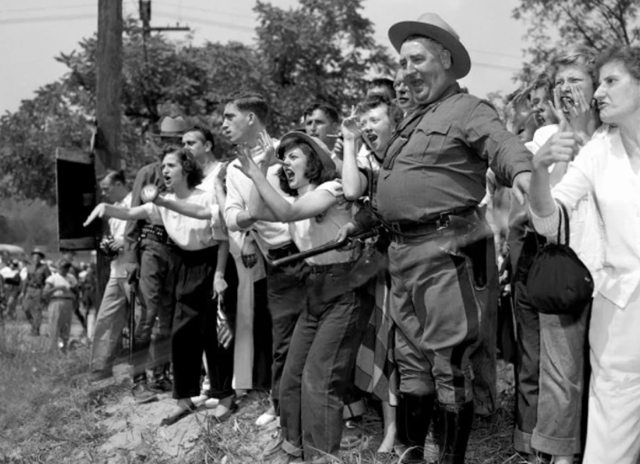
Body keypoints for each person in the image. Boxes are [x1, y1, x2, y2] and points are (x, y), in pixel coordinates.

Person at [373, 13, 532, 463]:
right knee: (410, 360)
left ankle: (451, 460)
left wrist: (521, 173)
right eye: (401, 62)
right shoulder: (411, 120)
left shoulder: (469, 109)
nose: (406, 71)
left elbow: (501, 145)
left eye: (416, 59)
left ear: (444, 57)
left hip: (445, 253)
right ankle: (413, 453)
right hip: (401, 253)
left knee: (447, 362)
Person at [529, 44, 640, 464]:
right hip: (618, 304)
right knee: (610, 432)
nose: (599, 93)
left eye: (611, 81)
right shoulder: (597, 151)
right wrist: (540, 169)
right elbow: (549, 220)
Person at [236, 130, 369, 464]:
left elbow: (287, 215)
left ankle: (322, 456)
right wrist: (263, 165)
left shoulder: (332, 189)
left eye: (293, 156)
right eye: (284, 158)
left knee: (320, 378)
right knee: (292, 375)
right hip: (314, 289)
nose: (286, 163)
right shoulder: (291, 198)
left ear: (313, 162)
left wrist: (253, 171)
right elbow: (253, 212)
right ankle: (292, 447)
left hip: (344, 289)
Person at [84, 147, 234, 425]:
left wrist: (219, 274)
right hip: (182, 264)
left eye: (170, 166)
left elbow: (219, 233)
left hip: (211, 262)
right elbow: (134, 213)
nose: (164, 170)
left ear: (186, 169)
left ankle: (224, 395)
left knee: (212, 334)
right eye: (163, 166)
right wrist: (107, 208)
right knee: (181, 333)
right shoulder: (162, 201)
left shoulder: (205, 195)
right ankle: (184, 399)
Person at [513, 47, 601, 464]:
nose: (566, 88)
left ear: (596, 85)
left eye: (575, 80)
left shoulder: (616, 134)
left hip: (610, 270)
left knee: (603, 374)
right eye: (559, 82)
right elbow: (551, 211)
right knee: (560, 373)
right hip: (564, 268)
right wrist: (566, 130)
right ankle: (558, 455)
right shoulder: (547, 138)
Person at [223, 92, 304, 429]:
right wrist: (249, 215)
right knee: (282, 339)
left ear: (251, 118)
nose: (223, 124)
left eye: (230, 117)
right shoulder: (234, 170)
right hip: (280, 263)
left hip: (314, 254)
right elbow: (233, 217)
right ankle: (281, 406)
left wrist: (252, 214)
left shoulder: (292, 151)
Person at [339, 94, 404, 454]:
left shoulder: (411, 158)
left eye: (374, 120)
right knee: (386, 347)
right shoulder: (368, 162)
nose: (367, 127)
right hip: (382, 267)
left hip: (421, 266)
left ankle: (420, 427)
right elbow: (351, 190)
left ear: (396, 122)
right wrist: (350, 142)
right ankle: (393, 429)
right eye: (364, 122)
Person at [123, 116, 185, 401]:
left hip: (178, 249)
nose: (173, 145)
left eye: (178, 140)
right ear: (160, 142)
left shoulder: (188, 175)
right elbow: (132, 217)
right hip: (151, 246)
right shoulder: (148, 173)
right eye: (168, 140)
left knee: (167, 318)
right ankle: (138, 381)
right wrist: (130, 259)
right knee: (146, 316)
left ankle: (160, 375)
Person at [89, 170, 133, 383]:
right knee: (105, 318)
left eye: (107, 189)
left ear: (119, 184)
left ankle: (154, 369)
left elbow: (149, 231)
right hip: (117, 270)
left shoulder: (136, 201)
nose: (104, 194)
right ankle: (100, 366)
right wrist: (108, 244)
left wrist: (125, 243)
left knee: (144, 320)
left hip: (136, 270)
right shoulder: (113, 210)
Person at [43, 259, 78, 353]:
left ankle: (64, 348)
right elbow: (45, 292)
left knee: (66, 325)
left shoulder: (71, 278)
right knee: (55, 325)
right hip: (56, 300)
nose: (65, 270)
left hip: (68, 301)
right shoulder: (53, 278)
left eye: (67, 267)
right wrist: (57, 288)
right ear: (59, 268)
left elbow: (76, 291)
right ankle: (53, 349)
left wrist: (76, 301)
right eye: (63, 267)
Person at [20, 249, 51, 336]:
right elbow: (26, 280)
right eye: (34, 256)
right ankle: (34, 325)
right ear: (32, 257)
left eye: (38, 256)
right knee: (25, 308)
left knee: (37, 311)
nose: (36, 258)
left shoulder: (45, 268)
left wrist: (46, 293)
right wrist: (23, 291)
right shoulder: (30, 267)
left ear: (41, 258)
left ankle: (36, 330)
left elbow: (49, 280)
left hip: (39, 290)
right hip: (29, 289)